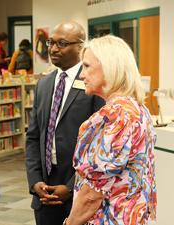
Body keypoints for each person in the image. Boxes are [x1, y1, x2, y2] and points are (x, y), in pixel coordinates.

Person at [63, 35, 157, 225]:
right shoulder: (138, 110)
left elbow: (91, 194)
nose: (82, 74)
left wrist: (70, 223)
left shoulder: (114, 117)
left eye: (87, 66)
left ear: (109, 67)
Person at [25, 21, 105, 225]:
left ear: (80, 47)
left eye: (61, 43)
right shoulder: (43, 84)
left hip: (79, 190)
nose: (52, 49)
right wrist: (35, 181)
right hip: (44, 191)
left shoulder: (93, 83)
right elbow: (34, 137)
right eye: (51, 42)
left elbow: (98, 145)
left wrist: (70, 187)